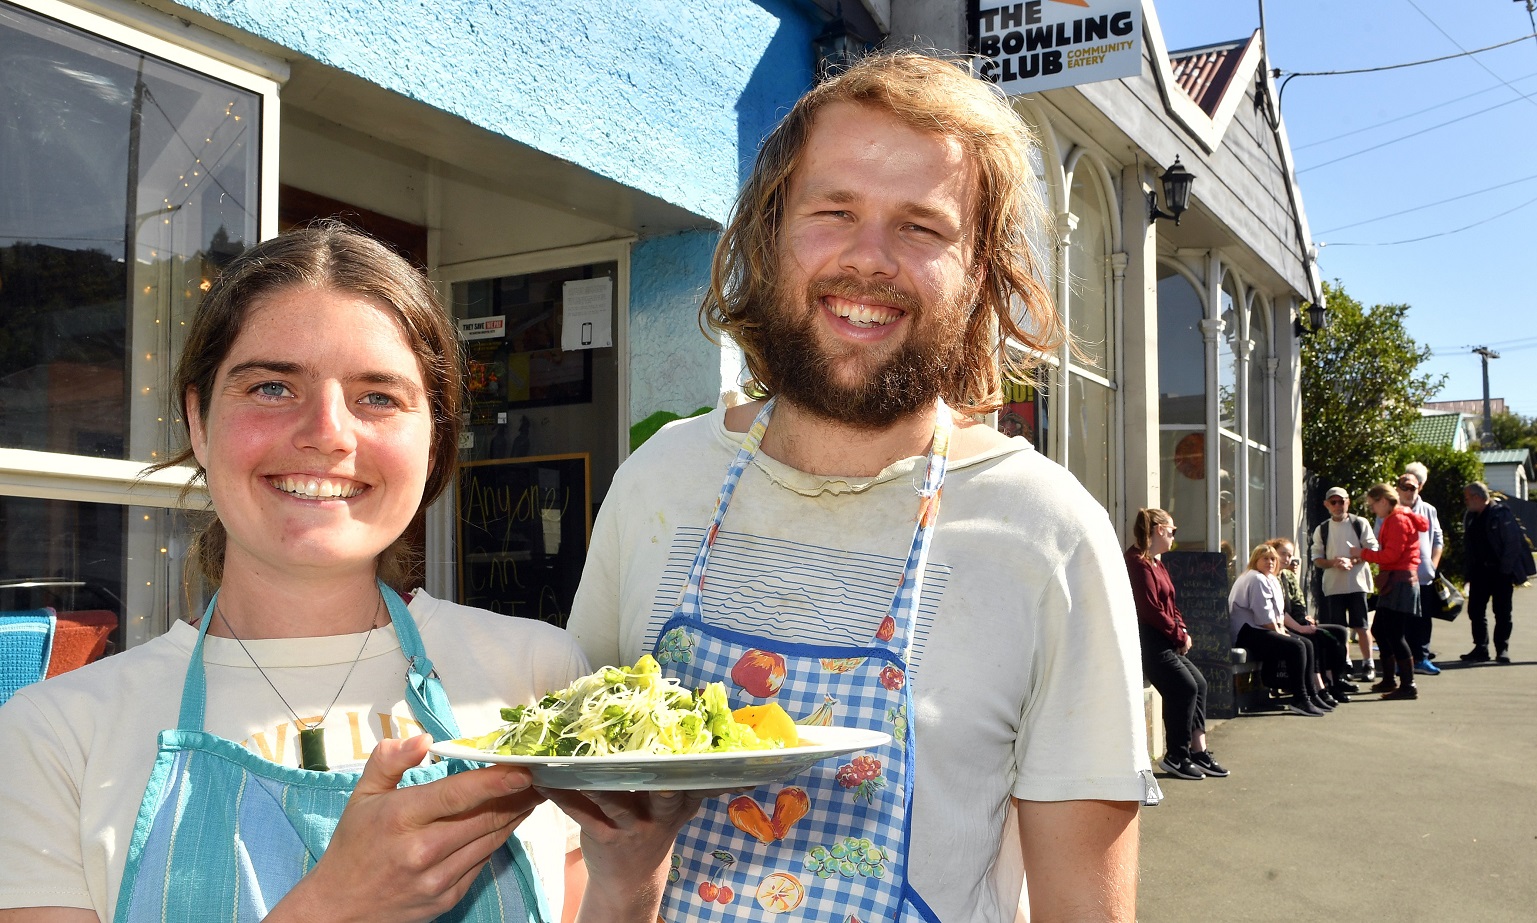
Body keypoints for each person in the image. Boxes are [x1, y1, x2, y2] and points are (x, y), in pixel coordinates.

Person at [568, 52, 1154, 922]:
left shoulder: (1048, 531)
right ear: (770, 236)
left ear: (979, 273)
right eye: (832, 211)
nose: (868, 259)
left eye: (922, 227)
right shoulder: (659, 481)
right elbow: (590, 837)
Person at [0, 224, 697, 923]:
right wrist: (335, 906)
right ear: (199, 420)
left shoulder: (537, 682)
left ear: (434, 440)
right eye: (272, 386)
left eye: (378, 397)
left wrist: (632, 878)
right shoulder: (54, 737)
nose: (327, 431)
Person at [1126, 509, 1229, 781]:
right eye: (1172, 530)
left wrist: (1182, 631)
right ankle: (1176, 755)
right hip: (1150, 643)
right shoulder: (1137, 563)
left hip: (1167, 640)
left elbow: (1171, 604)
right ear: (1159, 530)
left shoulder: (1157, 563)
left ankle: (1198, 751)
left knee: (1199, 684)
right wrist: (1178, 635)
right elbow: (1150, 610)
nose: (1174, 536)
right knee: (1184, 687)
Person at [1229, 544, 1330, 716]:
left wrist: (1290, 630)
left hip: (1262, 628)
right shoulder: (1255, 578)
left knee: (1306, 643)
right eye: (1265, 558)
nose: (1270, 562)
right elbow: (1264, 617)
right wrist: (1281, 632)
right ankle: (1300, 699)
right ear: (1255, 560)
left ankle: (1311, 695)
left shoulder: (1271, 579)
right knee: (1296, 646)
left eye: (1273, 559)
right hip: (1247, 632)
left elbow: (1278, 613)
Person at [1356, 482, 1428, 700]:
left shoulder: (1397, 520)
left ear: (1384, 501)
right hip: (1398, 582)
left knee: (1395, 635)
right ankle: (1390, 679)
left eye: (1373, 505)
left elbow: (1391, 556)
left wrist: (1363, 553)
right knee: (1380, 630)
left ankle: (1408, 685)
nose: (1372, 510)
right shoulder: (1398, 517)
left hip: (1399, 582)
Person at [1266, 537, 1355, 701]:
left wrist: (1305, 619)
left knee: (1340, 632)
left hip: (1297, 621)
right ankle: (1321, 685)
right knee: (1314, 638)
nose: (1286, 559)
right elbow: (1277, 612)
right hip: (1282, 625)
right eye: (1282, 554)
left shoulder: (1288, 576)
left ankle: (1336, 679)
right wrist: (1301, 626)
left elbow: (1299, 602)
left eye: (1289, 555)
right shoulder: (1269, 578)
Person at [1460, 481, 1536, 664]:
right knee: (1475, 611)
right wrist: (1468, 574)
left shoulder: (1500, 514)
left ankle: (1502, 649)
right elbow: (1469, 547)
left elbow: (1512, 544)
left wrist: (1505, 570)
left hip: (1499, 572)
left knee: (1502, 612)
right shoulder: (1470, 517)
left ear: (1478, 497)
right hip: (1479, 573)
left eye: (1467, 498)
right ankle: (1481, 648)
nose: (1466, 502)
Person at [1310, 486, 1380, 680]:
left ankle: (1368, 664)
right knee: (1340, 628)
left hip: (1357, 584)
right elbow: (1316, 558)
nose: (1338, 506)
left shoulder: (1360, 523)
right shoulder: (1322, 529)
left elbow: (1372, 549)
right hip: (1334, 586)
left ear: (1348, 502)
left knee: (1361, 625)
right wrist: (1334, 563)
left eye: (1342, 501)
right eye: (1334, 502)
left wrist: (1354, 560)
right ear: (1326, 505)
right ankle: (1345, 663)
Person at [1396, 466, 1445, 674]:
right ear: (1398, 489)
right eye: (1404, 487)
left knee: (1423, 619)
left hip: (1424, 575)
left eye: (1413, 488)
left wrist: (1433, 565)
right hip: (1400, 575)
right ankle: (1403, 661)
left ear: (1419, 488)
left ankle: (1422, 658)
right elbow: (1379, 539)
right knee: (1402, 619)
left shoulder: (1429, 510)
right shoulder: (1391, 509)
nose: (1409, 492)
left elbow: (1438, 539)